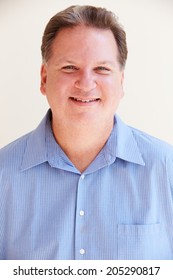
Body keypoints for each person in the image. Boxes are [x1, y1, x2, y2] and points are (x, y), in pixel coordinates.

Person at [0, 5, 173, 260]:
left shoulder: (167, 168)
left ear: (121, 82)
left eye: (102, 69)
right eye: (70, 67)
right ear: (44, 78)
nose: (86, 83)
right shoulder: (3, 174)